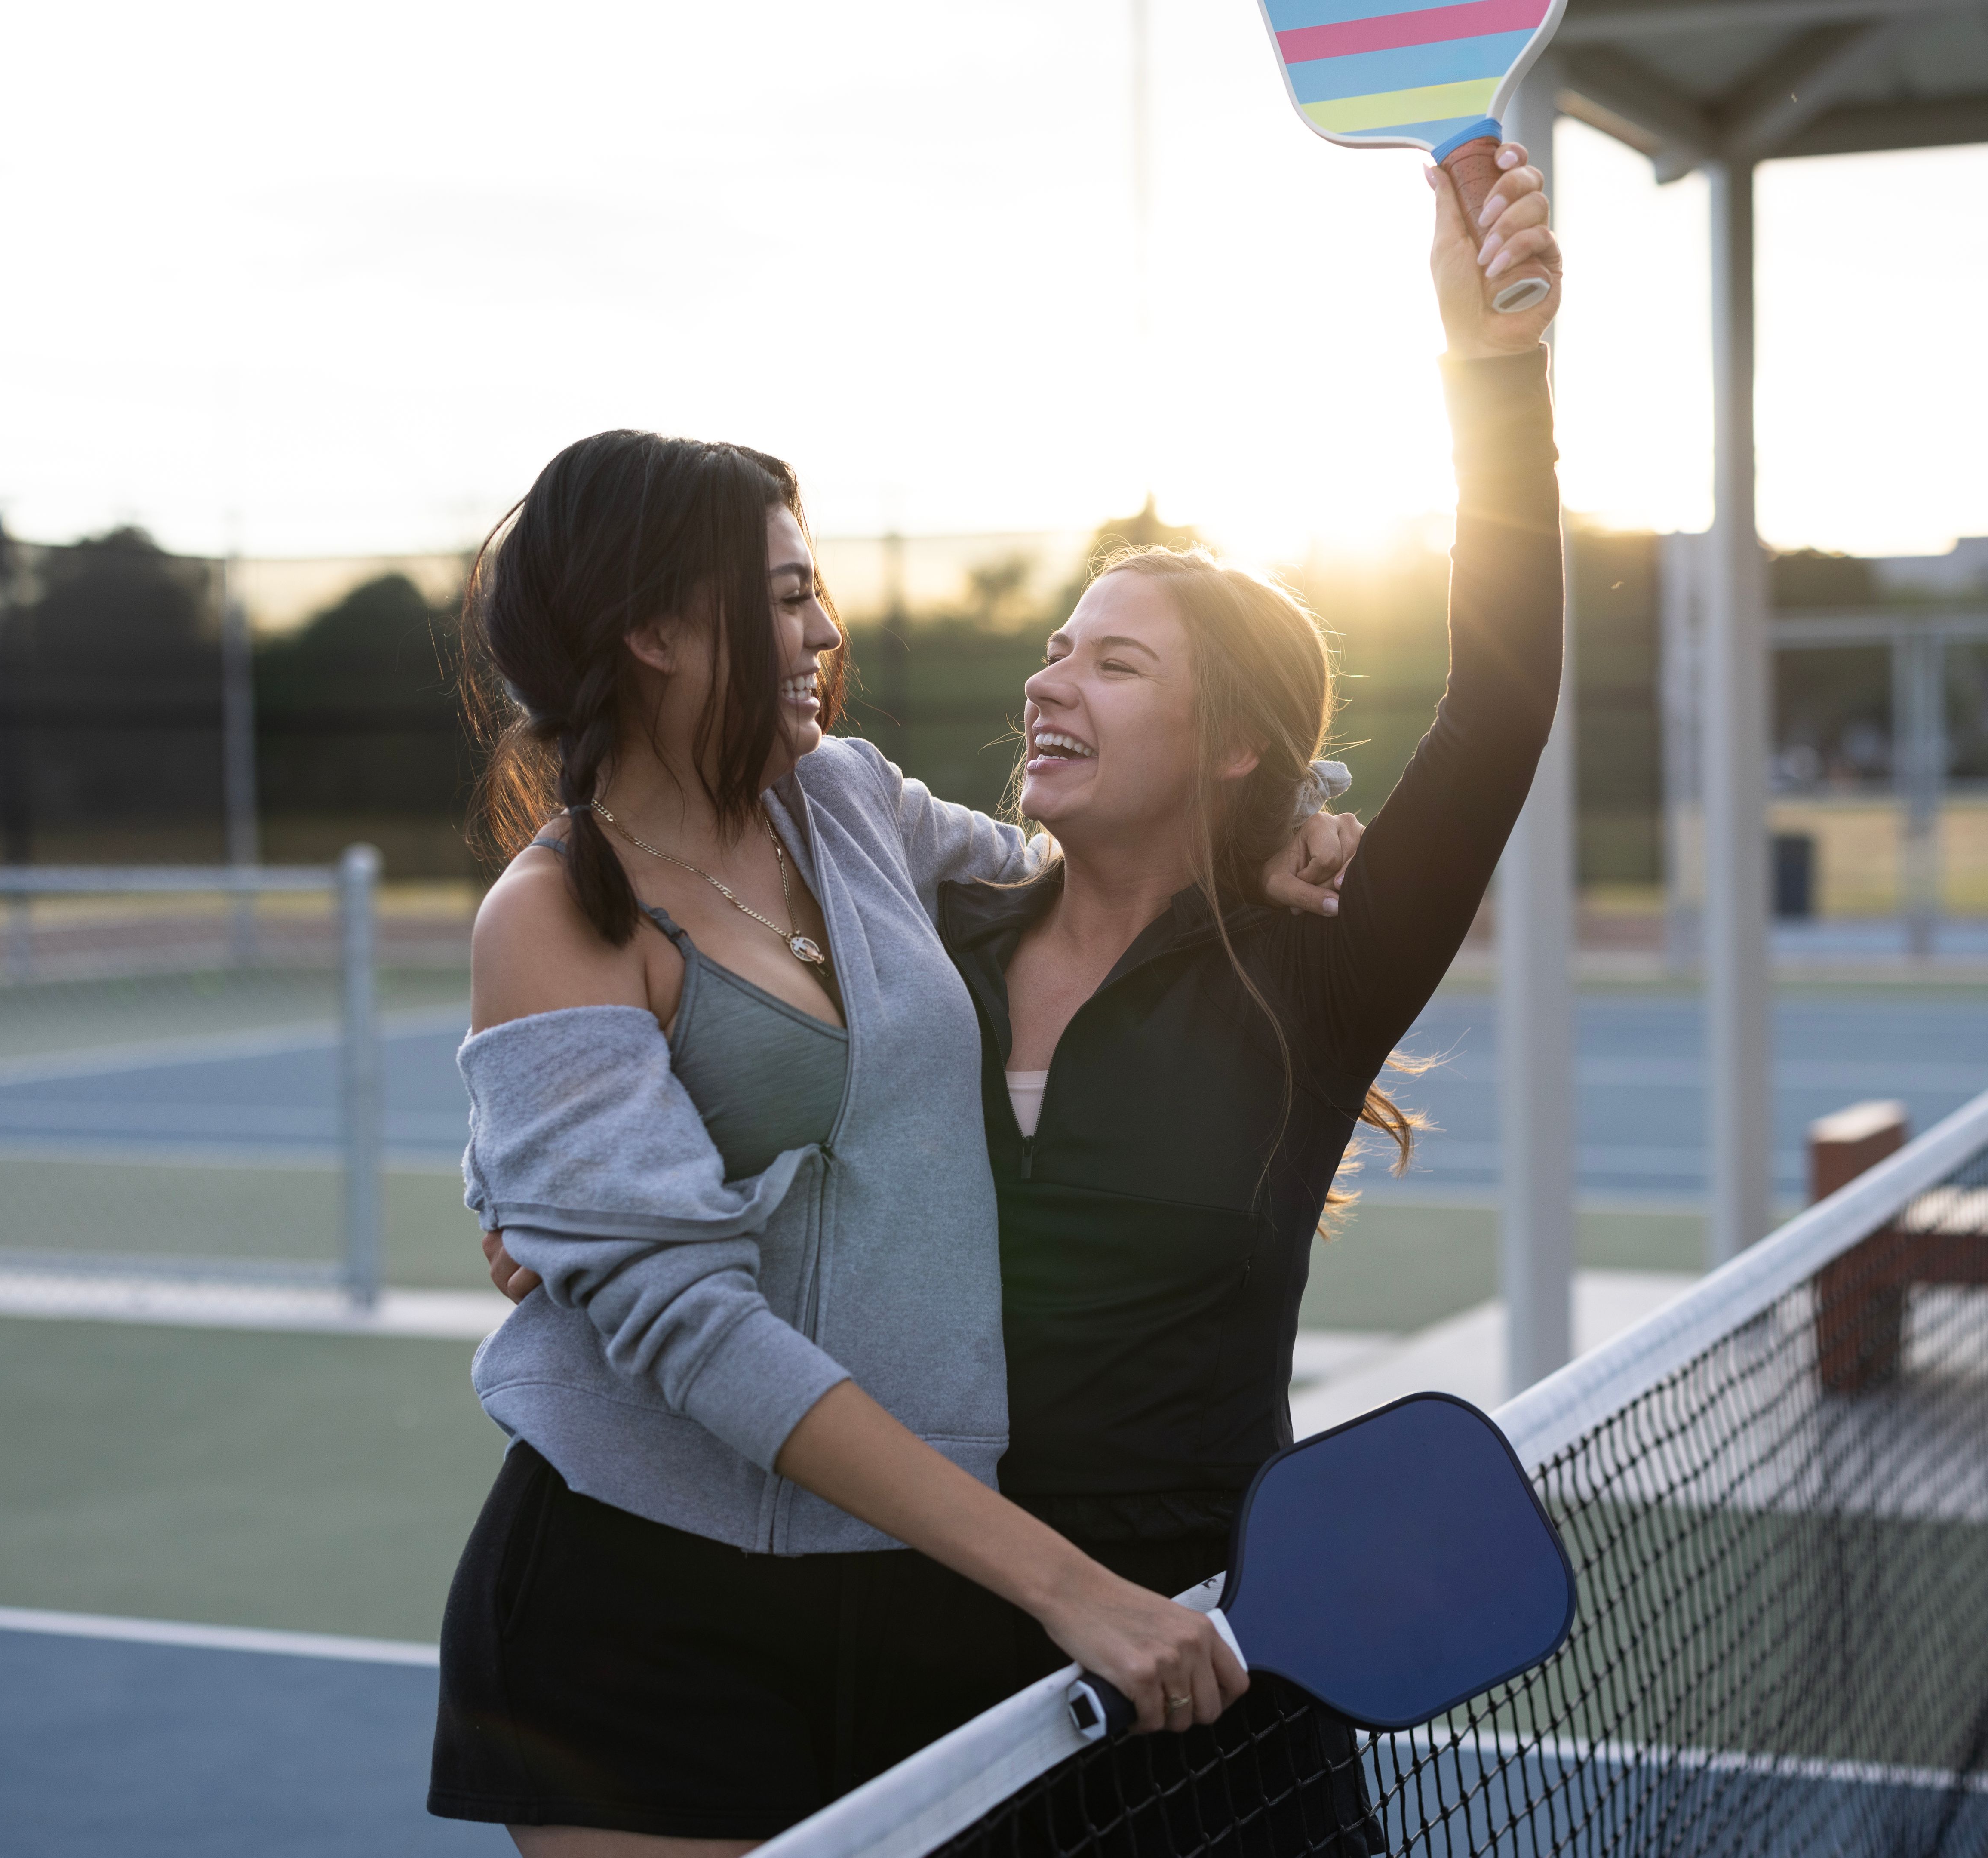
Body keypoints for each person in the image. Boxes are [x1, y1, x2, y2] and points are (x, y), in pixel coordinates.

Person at [428, 427, 1361, 1855]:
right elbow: (691, 1326)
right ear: (657, 631)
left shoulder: (850, 803)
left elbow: (1083, 876)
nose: (823, 630)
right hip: (640, 1609)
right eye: (787, 594)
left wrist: (1287, 814)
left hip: (894, 1608)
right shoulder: (553, 915)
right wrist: (1066, 1585)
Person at [930, 141, 1561, 1847]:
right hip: (935, 1687)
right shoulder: (941, 947)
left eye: (1113, 659)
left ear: (1230, 749)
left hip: (1219, 1682)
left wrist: (1492, 377)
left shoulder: (1312, 981)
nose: (1052, 677)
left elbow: (1496, 706)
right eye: (1057, 645)